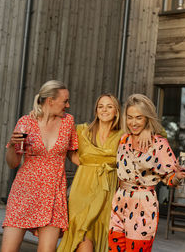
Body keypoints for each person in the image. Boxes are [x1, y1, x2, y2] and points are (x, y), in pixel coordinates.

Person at [58, 94, 151, 252]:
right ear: (96, 110)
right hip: (82, 190)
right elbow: (61, 138)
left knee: (96, 236)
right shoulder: (81, 130)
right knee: (82, 235)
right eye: (101, 106)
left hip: (107, 192)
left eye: (109, 106)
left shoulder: (123, 135)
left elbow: (153, 135)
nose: (104, 110)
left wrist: (146, 131)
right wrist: (85, 161)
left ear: (116, 111)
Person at [1, 80, 78, 252]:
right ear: (50, 101)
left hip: (53, 194)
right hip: (24, 192)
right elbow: (13, 163)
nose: (68, 104)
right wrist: (13, 145)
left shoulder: (68, 122)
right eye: (65, 101)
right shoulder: (26, 122)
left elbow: (74, 154)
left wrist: (101, 161)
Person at [108, 94, 185, 252]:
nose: (133, 122)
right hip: (119, 201)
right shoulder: (124, 139)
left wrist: (178, 177)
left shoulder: (159, 143)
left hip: (143, 204)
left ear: (147, 118)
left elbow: (170, 179)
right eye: (130, 117)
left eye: (139, 118)